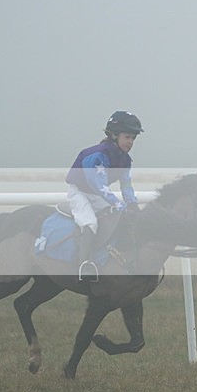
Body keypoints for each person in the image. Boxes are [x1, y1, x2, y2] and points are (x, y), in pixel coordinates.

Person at [65, 111, 143, 281]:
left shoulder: (125, 159)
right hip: (79, 192)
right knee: (90, 222)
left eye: (133, 139)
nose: (130, 142)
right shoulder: (98, 155)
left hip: (96, 195)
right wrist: (119, 204)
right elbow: (99, 186)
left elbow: (126, 185)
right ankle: (84, 265)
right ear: (114, 135)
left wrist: (132, 204)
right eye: (127, 137)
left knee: (120, 218)